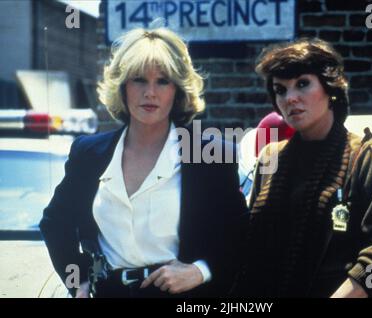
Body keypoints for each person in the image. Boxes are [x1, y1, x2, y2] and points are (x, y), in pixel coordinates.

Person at [40, 27, 247, 298]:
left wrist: (200, 270)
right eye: (139, 80)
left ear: (178, 91)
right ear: (122, 86)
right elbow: (55, 222)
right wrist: (77, 279)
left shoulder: (212, 156)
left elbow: (241, 238)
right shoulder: (88, 153)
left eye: (163, 81)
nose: (150, 92)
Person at [231, 38, 372, 298]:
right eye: (280, 89)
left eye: (302, 84)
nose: (290, 98)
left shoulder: (369, 157)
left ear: (330, 89)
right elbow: (248, 251)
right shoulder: (270, 158)